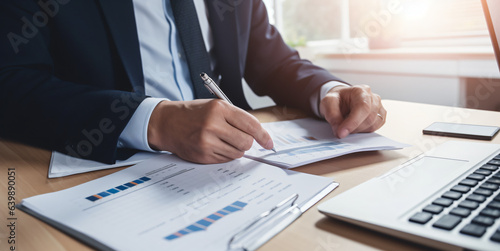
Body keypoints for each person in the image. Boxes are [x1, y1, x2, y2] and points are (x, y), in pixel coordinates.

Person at [0, 0, 386, 164]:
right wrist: (154, 120)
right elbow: (11, 82)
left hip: (241, 167)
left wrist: (330, 91)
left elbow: (273, 61)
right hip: (113, 169)